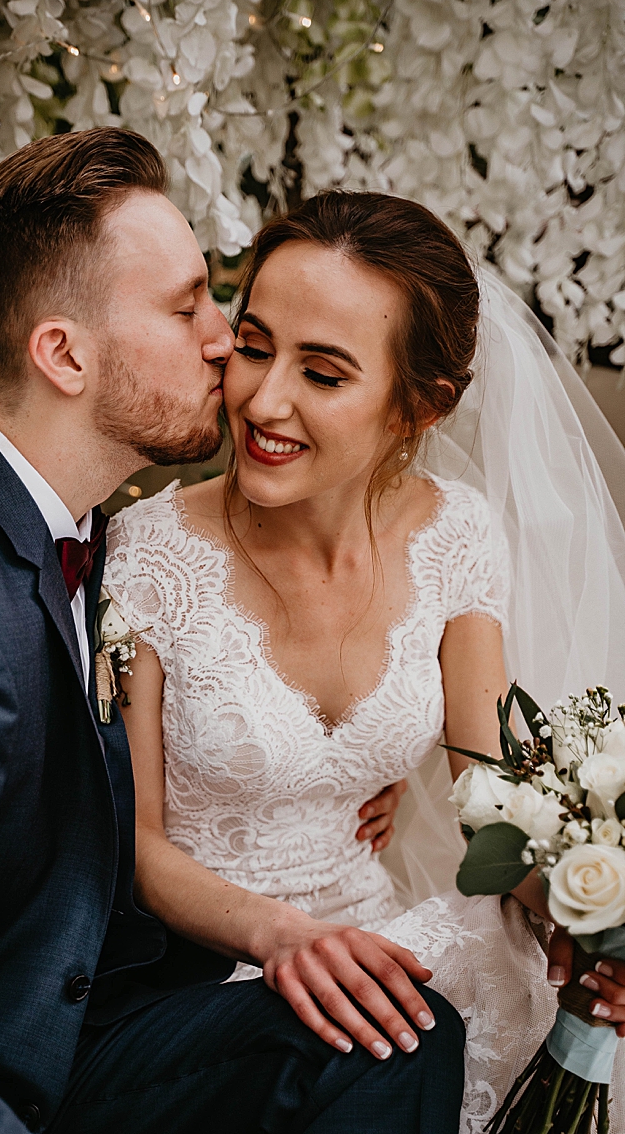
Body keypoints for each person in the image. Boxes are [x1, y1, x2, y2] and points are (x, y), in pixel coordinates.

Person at [0, 129, 466, 1134]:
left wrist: (336, 762)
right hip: (20, 1069)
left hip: (148, 989)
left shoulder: (80, 533)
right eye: (187, 307)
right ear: (64, 354)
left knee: (396, 1026)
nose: (225, 342)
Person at [101, 190, 625, 1130]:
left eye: (323, 372)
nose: (264, 400)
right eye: (253, 346)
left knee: (487, 979)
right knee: (393, 1034)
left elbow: (487, 787)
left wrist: (588, 920)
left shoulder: (458, 535)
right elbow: (137, 849)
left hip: (380, 925)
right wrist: (286, 937)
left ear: (418, 405)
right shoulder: (147, 554)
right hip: (209, 976)